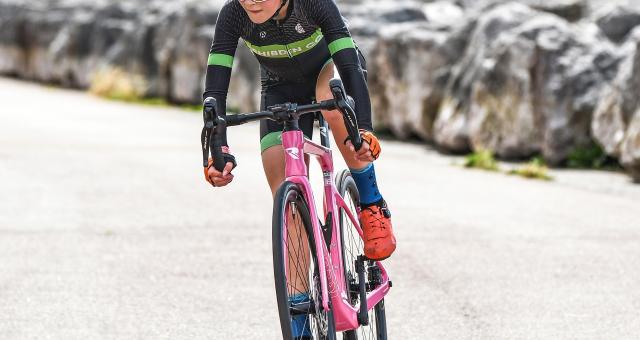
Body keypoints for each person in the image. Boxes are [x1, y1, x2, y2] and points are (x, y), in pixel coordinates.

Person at [202, 0, 396, 335]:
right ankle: (299, 320)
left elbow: (349, 67)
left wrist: (362, 127)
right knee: (287, 204)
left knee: (335, 104)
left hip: (331, 73)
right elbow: (214, 93)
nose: (251, 0)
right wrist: (217, 149)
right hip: (279, 90)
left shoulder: (314, 4)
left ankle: (371, 203)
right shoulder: (233, 14)